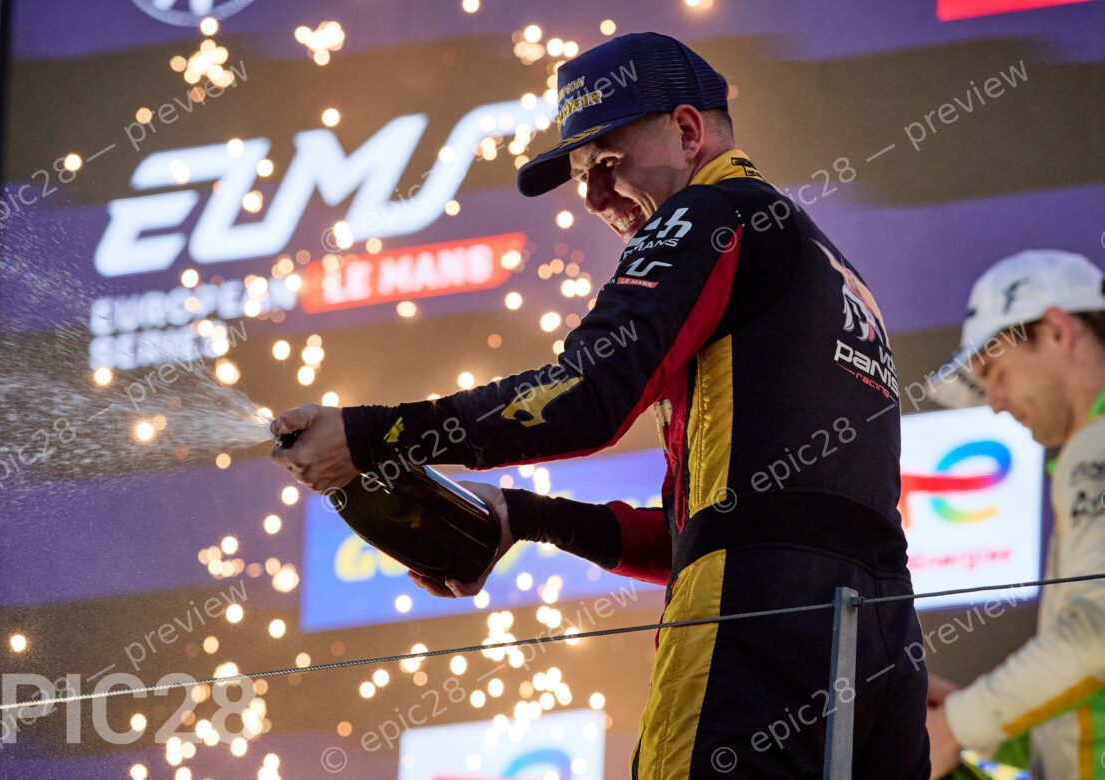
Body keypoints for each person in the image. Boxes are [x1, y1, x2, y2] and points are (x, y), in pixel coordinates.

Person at [272, 32, 929, 777]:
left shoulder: (709, 213)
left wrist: (372, 436)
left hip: (756, 631)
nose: (591, 198)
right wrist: (529, 518)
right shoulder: (833, 269)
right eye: (580, 176)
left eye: (606, 164)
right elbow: (743, 529)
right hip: (880, 640)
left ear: (687, 132)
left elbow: (585, 397)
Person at [924, 250, 1105, 779]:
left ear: (1056, 330)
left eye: (995, 372)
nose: (997, 403)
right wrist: (985, 715)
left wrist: (958, 724)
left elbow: (1097, 634)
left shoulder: (1096, 445)